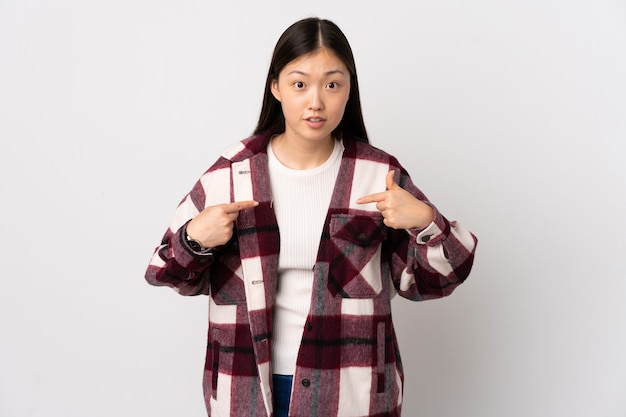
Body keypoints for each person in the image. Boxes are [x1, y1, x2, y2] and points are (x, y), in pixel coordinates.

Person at [145, 16, 477, 417]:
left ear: (349, 90)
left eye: (332, 84)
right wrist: (194, 239)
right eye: (300, 84)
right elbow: (164, 270)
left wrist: (426, 221)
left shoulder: (377, 176)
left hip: (350, 391)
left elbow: (436, 280)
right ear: (276, 87)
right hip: (247, 387)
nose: (315, 101)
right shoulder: (231, 176)